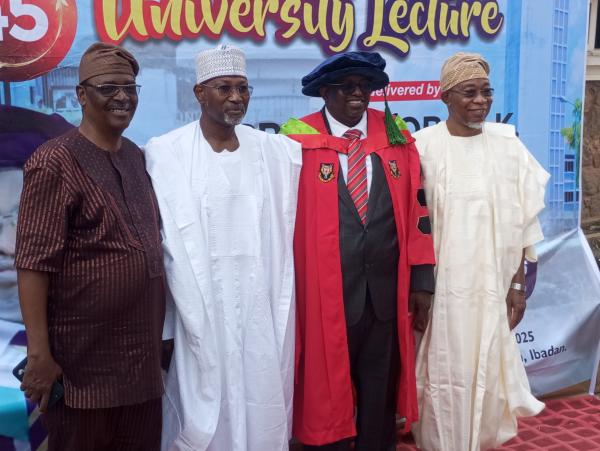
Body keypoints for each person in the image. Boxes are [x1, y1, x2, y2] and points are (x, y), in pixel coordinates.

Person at [144, 44, 302, 451]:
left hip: (258, 304)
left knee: (259, 392)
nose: (236, 97)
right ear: (199, 93)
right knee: (204, 400)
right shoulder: (169, 152)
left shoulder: (274, 152)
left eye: (243, 88)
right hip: (199, 308)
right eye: (224, 88)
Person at [280, 51, 435, 451]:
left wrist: (421, 279)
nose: (357, 94)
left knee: (380, 386)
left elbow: (418, 208)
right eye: (346, 86)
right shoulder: (295, 141)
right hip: (324, 295)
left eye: (364, 86)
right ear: (324, 92)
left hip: (385, 293)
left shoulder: (395, 135)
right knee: (325, 386)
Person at [15, 42, 166, 450]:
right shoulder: (54, 161)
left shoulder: (135, 156)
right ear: (82, 95)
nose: (123, 97)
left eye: (130, 88)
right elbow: (33, 264)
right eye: (108, 88)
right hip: (82, 370)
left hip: (141, 367)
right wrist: (39, 354)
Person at [411, 52, 548, 451]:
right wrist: (419, 287)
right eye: (469, 92)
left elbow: (523, 221)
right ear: (445, 97)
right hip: (442, 289)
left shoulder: (507, 146)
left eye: (486, 92)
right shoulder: (424, 147)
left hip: (492, 285)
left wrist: (518, 284)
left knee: (488, 362)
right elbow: (413, 224)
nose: (480, 101)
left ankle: (481, 441)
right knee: (442, 367)